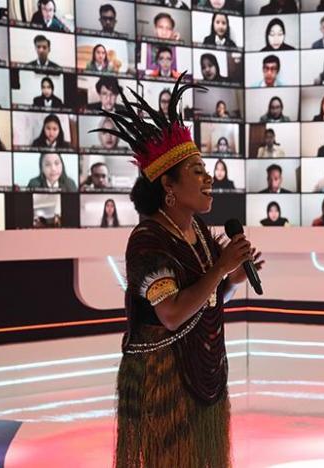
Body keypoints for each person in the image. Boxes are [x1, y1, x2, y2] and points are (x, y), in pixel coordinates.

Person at [94, 73, 263, 467]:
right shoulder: (147, 240)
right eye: (197, 171)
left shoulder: (199, 231)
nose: (208, 178)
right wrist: (221, 268)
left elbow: (203, 302)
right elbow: (171, 314)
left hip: (204, 372)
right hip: (163, 380)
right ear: (168, 185)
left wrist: (233, 279)